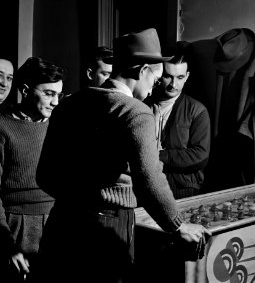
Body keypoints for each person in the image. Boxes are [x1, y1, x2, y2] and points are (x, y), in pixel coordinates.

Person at [34, 28, 211, 283]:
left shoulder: (69, 104)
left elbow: (45, 175)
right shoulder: (135, 112)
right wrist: (179, 225)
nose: (155, 88)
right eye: (156, 78)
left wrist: (76, 198)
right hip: (106, 230)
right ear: (141, 71)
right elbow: (150, 179)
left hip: (61, 222)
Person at [0, 56, 65, 282]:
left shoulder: (59, 126)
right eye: (49, 93)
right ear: (26, 90)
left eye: (59, 94)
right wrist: (6, 243)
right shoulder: (3, 126)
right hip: (16, 224)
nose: (56, 102)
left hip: (56, 221)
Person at [146, 43, 211, 199]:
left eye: (180, 77)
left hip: (181, 189)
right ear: (159, 73)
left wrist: (159, 156)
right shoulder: (143, 104)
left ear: (187, 76)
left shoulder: (197, 110)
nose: (173, 84)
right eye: (168, 76)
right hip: (146, 186)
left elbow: (200, 155)